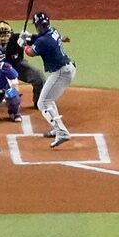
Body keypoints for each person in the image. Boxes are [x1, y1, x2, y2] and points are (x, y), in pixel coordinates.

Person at [24, 8, 76, 145]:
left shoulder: (43, 41)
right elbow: (39, 39)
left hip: (61, 73)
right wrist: (28, 37)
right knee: (49, 100)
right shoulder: (53, 31)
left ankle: (62, 132)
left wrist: (23, 44)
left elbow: (31, 52)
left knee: (43, 102)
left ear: (37, 25)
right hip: (66, 69)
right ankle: (57, 128)